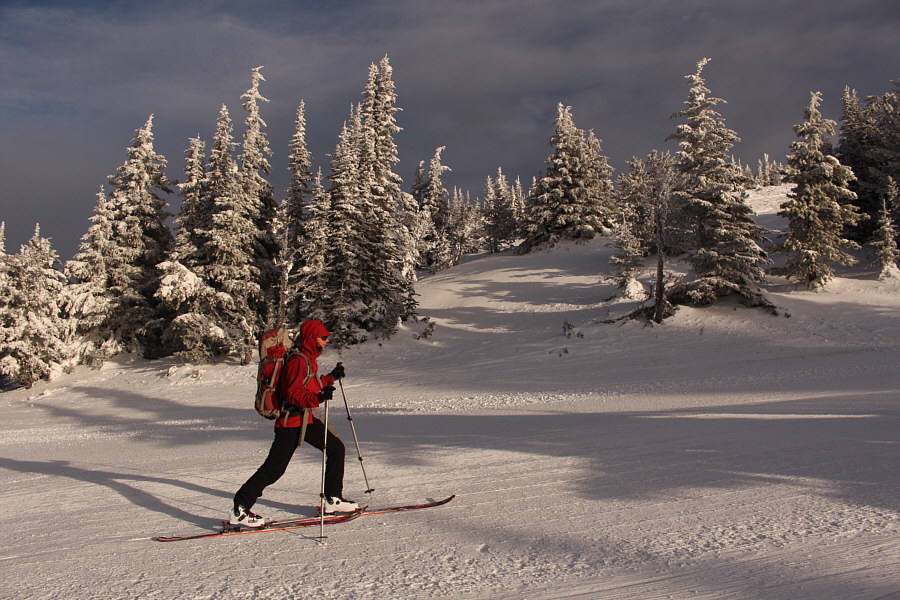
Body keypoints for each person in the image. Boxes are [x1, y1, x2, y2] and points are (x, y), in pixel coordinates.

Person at [229, 319, 358, 527]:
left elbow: (310, 384)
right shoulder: (299, 360)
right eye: (323, 338)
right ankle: (240, 508)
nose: (326, 341)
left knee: (336, 449)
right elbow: (292, 393)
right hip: (290, 423)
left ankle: (332, 499)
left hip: (304, 420)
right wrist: (317, 399)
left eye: (327, 337)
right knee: (274, 469)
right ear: (311, 338)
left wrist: (330, 378)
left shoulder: (307, 358)